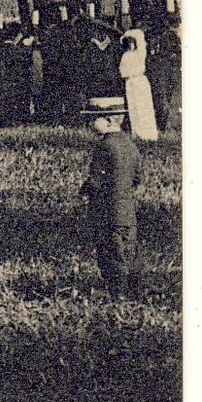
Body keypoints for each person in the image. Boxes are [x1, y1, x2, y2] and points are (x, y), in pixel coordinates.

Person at [78, 95, 142, 296]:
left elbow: (96, 181)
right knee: (126, 251)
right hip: (127, 213)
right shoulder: (130, 144)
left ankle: (117, 295)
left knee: (109, 254)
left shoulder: (103, 147)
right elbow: (137, 177)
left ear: (107, 121)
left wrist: (84, 190)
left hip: (106, 213)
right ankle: (131, 292)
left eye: (93, 118)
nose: (89, 123)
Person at [120, 28, 159, 142]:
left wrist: (132, 34)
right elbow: (122, 71)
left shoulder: (140, 53)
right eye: (129, 42)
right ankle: (136, 133)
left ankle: (147, 134)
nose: (131, 45)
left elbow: (139, 36)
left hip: (139, 81)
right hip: (130, 82)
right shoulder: (126, 56)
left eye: (133, 42)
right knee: (134, 108)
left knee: (143, 108)